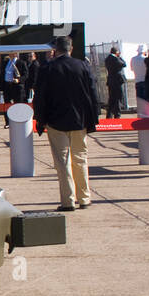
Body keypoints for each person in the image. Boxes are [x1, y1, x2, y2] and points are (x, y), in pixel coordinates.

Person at [34, 35, 99, 210]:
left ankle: (68, 200)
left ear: (56, 49)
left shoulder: (47, 69)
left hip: (56, 121)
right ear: (71, 49)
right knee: (80, 159)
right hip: (80, 120)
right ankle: (84, 198)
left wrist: (40, 119)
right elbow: (92, 94)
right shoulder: (83, 66)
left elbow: (40, 97)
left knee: (62, 162)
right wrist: (94, 118)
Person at [104, 46, 126, 119]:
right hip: (117, 81)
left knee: (112, 98)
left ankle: (109, 115)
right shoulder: (115, 59)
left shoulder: (107, 59)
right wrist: (119, 57)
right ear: (116, 52)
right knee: (117, 98)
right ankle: (117, 114)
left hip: (111, 80)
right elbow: (124, 64)